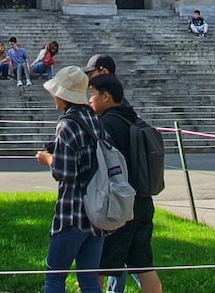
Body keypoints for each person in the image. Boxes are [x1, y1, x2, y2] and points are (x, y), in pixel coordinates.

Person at [35, 65, 105, 293]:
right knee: (89, 280)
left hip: (72, 212)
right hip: (96, 212)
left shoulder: (66, 124)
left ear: (63, 95)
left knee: (54, 277)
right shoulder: (95, 121)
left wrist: (47, 158)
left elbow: (63, 171)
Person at [88, 73, 161, 293]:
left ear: (106, 96)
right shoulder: (134, 118)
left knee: (98, 266)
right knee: (143, 263)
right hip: (143, 201)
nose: (89, 100)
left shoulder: (105, 125)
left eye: (92, 94)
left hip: (119, 205)